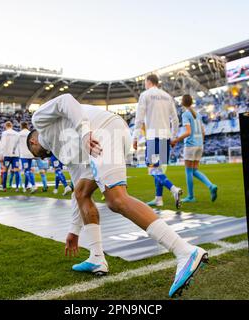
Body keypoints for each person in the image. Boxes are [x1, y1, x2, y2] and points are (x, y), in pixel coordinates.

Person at [27, 94, 208, 297]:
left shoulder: (39, 121)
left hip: (104, 131)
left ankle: (185, 251)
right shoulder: (63, 152)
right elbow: (76, 190)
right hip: (103, 136)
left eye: (34, 152)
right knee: (81, 192)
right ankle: (97, 257)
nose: (38, 156)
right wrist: (74, 230)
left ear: (33, 141)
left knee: (116, 200)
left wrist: (85, 132)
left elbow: (66, 100)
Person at [132, 74, 183, 209]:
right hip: (165, 136)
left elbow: (139, 119)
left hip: (153, 136)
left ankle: (174, 189)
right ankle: (158, 199)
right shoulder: (167, 96)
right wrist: (173, 136)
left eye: (145, 82)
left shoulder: (146, 95)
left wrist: (135, 137)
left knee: (152, 169)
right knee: (159, 169)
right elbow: (176, 120)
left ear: (149, 82)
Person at [171, 95, 218, 203]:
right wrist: (200, 143)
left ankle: (191, 196)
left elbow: (188, 132)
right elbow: (203, 132)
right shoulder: (198, 115)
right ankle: (211, 186)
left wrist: (176, 140)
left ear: (182, 103)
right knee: (194, 170)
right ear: (191, 102)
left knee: (188, 171)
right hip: (199, 144)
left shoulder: (185, 114)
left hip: (191, 145)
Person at [1, 121, 20, 192]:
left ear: (6, 126)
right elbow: (18, 145)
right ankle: (17, 187)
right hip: (15, 155)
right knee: (16, 171)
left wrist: (1, 155)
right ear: (11, 126)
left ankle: (4, 187)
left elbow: (3, 144)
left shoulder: (4, 133)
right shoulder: (17, 134)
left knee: (5, 171)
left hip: (7, 155)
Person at [18, 122, 37, 193]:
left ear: (21, 126)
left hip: (23, 155)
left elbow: (15, 144)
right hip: (30, 154)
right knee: (27, 170)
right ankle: (26, 186)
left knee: (27, 171)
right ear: (27, 126)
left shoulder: (19, 134)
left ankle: (33, 185)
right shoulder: (30, 133)